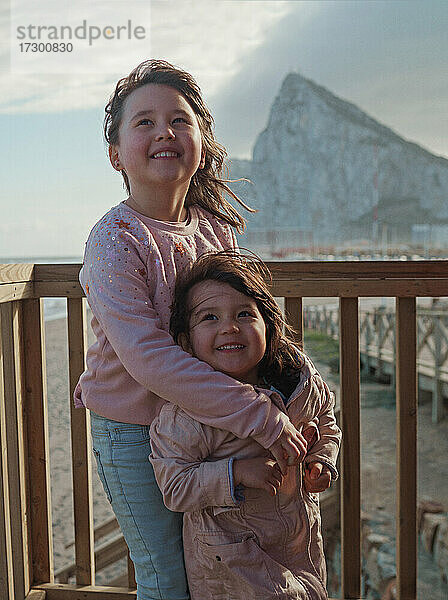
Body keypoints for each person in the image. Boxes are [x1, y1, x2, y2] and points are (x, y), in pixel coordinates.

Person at [74, 59, 308, 600]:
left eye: (180, 119)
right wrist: (261, 419)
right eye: (144, 122)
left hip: (212, 428)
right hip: (134, 433)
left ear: (200, 139)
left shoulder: (215, 230)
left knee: (219, 569)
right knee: (167, 579)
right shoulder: (114, 240)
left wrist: (296, 400)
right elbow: (149, 357)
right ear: (115, 155)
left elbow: (253, 329)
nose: (165, 132)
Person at [150, 251, 342, 600]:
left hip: (299, 548)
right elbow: (175, 487)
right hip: (233, 568)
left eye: (244, 314)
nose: (229, 327)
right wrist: (235, 472)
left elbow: (326, 418)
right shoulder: (188, 415)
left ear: (269, 326)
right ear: (184, 342)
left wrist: (321, 459)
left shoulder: (298, 384)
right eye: (209, 317)